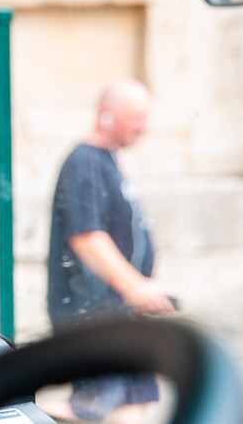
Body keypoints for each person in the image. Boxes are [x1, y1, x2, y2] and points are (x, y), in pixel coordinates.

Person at [46, 79, 175, 423]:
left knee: (134, 404)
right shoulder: (84, 161)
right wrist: (135, 287)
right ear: (106, 116)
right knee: (87, 411)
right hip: (95, 315)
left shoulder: (108, 161)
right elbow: (86, 237)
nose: (143, 126)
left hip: (122, 314)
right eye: (135, 116)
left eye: (146, 116)